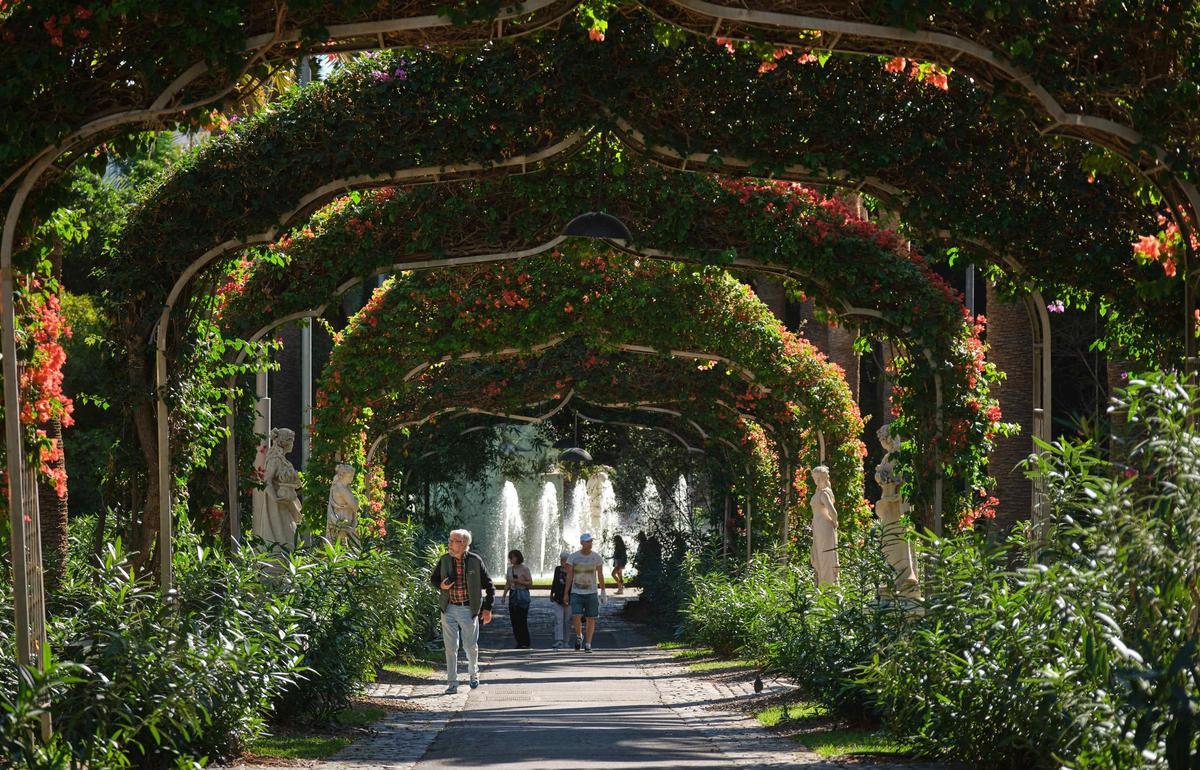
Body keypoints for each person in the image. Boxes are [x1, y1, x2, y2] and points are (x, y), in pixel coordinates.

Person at [429, 529, 494, 693]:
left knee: (470, 646)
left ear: (463, 543)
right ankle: (452, 683)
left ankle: (473, 674)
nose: (450, 543)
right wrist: (441, 586)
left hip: (468, 609)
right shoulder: (444, 560)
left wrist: (487, 608)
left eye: (453, 541)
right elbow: (433, 579)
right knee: (450, 647)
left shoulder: (474, 561)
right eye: (450, 540)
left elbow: (490, 586)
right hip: (448, 608)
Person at [563, 532, 606, 651]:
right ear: (581, 543)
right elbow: (569, 576)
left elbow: (600, 575)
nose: (590, 543)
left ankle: (588, 643)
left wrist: (603, 591)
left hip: (591, 592)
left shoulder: (596, 557)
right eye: (588, 541)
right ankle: (579, 635)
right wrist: (566, 593)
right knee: (576, 616)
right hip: (576, 592)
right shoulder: (573, 557)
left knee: (591, 617)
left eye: (591, 541)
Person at [503, 549, 533, 649]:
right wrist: (503, 596)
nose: (511, 559)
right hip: (513, 594)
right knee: (514, 620)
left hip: (522, 594)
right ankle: (519, 641)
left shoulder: (525, 569)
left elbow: (530, 583)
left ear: (518, 557)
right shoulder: (509, 569)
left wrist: (519, 582)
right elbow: (508, 583)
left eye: (513, 557)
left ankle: (525, 641)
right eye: (510, 557)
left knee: (522, 619)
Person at [548, 550, 572, 649]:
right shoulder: (557, 569)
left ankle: (566, 641)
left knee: (567, 620)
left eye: (565, 560)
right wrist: (551, 593)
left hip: (569, 598)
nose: (563, 562)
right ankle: (559, 640)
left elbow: (573, 585)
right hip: (558, 597)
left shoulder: (572, 570)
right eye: (561, 560)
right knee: (558, 619)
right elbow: (555, 581)